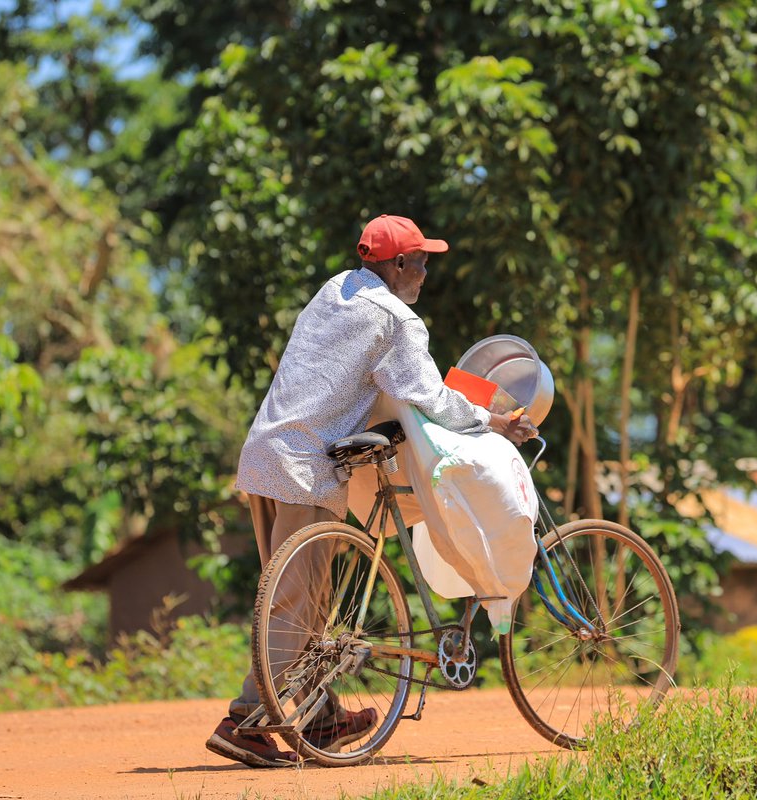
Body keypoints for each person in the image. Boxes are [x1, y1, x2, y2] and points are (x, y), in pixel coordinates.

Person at [206, 214, 538, 768]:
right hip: (306, 465)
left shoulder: (336, 289)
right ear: (400, 265)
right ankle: (246, 722)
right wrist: (495, 421)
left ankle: (321, 714)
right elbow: (430, 397)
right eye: (423, 263)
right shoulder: (396, 319)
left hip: (266, 453)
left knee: (304, 597)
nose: (426, 273)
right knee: (294, 601)